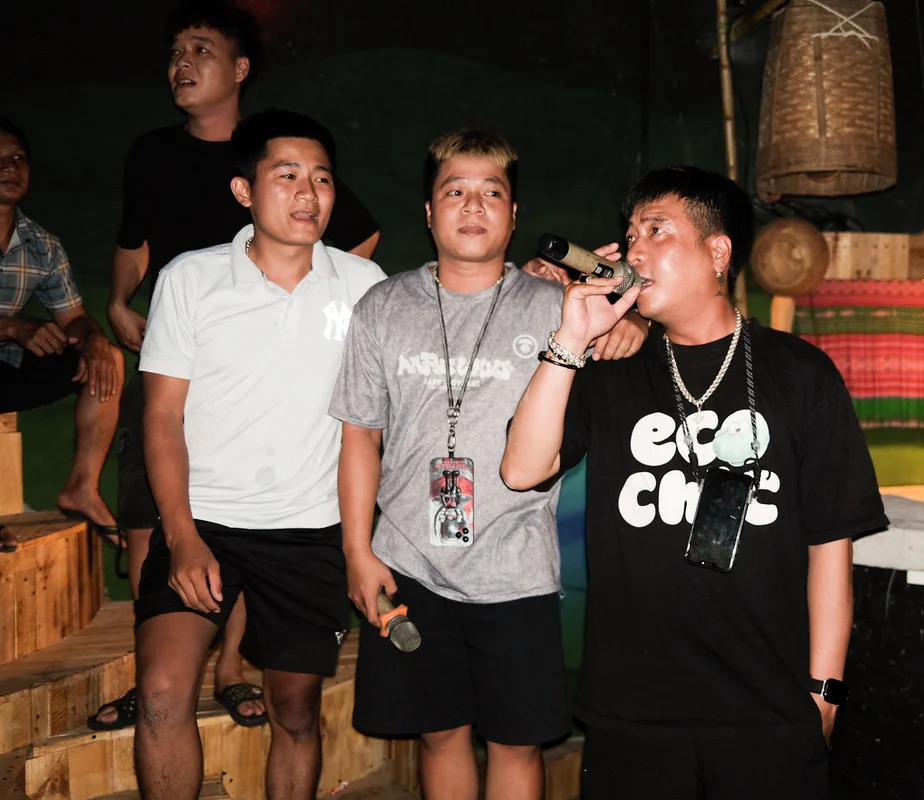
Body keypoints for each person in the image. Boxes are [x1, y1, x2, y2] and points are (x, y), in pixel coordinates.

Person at [500, 166, 890, 799]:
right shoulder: (611, 369)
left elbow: (830, 547)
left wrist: (826, 689)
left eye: (658, 230)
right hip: (633, 711)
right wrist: (572, 338)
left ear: (717, 252)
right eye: (630, 235)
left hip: (767, 704)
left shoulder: (801, 373)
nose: (634, 250)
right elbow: (521, 469)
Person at [329, 129, 647, 800]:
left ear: (514, 214)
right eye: (455, 191)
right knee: (439, 735)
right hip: (409, 562)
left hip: (516, 571)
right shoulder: (382, 307)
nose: (473, 206)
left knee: (516, 744)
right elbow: (359, 435)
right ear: (427, 212)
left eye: (491, 193)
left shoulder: (558, 309)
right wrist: (358, 550)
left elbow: (632, 332)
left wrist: (634, 324)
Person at [92, 0, 381, 732]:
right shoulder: (153, 155)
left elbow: (363, 238)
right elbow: (133, 241)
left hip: (296, 500)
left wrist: (323, 304)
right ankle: (164, 659)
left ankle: (231, 666)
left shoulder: (306, 189)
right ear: (246, 191)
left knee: (296, 704)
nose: (182, 64)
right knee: (148, 503)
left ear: (240, 68)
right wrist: (122, 299)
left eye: (201, 49)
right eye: (175, 51)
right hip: (184, 348)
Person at [131, 110, 386, 800]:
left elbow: (375, 426)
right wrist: (180, 537)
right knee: (159, 692)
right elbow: (161, 418)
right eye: (288, 175)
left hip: (311, 533)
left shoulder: (363, 288)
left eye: (323, 178)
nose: (309, 192)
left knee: (296, 711)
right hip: (204, 520)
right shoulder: (190, 278)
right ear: (245, 191)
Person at [0, 117, 124, 535]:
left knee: (107, 360)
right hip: (9, 347)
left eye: (18, 158)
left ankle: (81, 488)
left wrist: (93, 340)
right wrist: (13, 329)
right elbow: (17, 329)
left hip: (8, 368)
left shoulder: (41, 243)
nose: (10, 168)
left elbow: (73, 318)